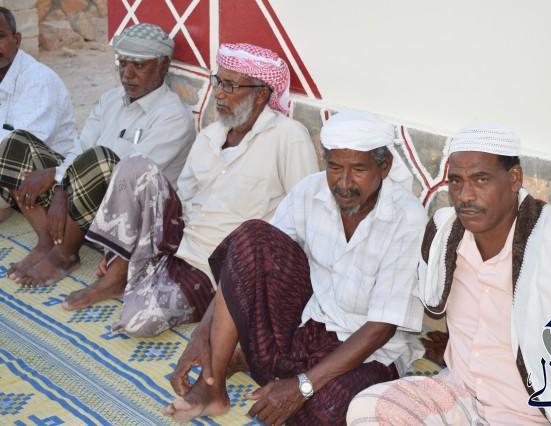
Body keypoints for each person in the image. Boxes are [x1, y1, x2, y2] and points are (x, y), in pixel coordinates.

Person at [347, 124, 551, 425]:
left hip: (537, 415)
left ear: (514, 179)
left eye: (481, 180)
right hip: (462, 395)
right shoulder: (446, 235)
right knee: (368, 408)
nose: (465, 196)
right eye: (456, 181)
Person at [162, 111, 425, 425]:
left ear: (384, 166)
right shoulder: (310, 191)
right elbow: (247, 262)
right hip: (303, 329)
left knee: (330, 409)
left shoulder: (407, 219)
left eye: (358, 170)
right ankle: (212, 387)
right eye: (335, 167)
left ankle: (276, 373)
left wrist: (303, 386)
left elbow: (381, 328)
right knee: (252, 235)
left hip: (365, 350)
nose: (343, 183)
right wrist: (205, 332)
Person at [60, 43, 318, 338]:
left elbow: (304, 216)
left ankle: (140, 278)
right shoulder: (210, 135)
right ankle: (118, 273)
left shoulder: (288, 137)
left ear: (261, 94)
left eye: (230, 86)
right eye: (218, 82)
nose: (218, 94)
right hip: (179, 240)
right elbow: (182, 197)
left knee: (137, 322)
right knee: (134, 166)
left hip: (218, 267)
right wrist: (139, 240)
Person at [0, 23, 195, 288]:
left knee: (102, 161)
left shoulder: (174, 117)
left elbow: (127, 178)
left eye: (139, 66)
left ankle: (64, 255)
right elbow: (81, 145)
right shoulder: (111, 99)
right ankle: (48, 241)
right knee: (16, 143)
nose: (127, 74)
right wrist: (60, 182)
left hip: (127, 214)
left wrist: (63, 188)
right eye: (122, 64)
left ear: (163, 66)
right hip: (82, 200)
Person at [0, 6, 77, 223]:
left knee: (13, 146)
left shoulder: (38, 81)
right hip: (10, 175)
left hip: (49, 179)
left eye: (0, 36)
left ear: (17, 39)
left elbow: (17, 151)